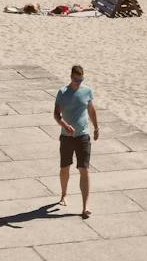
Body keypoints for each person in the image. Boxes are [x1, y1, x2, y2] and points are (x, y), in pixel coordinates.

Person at [52, 63, 99, 219]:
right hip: (66, 137)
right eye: (75, 79)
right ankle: (63, 195)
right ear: (71, 77)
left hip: (83, 136)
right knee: (65, 168)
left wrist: (97, 128)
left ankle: (85, 207)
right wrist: (65, 125)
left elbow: (91, 110)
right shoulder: (63, 93)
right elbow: (56, 115)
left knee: (84, 169)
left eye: (80, 79)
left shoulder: (87, 91)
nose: (78, 82)